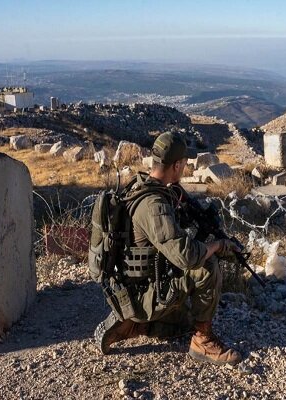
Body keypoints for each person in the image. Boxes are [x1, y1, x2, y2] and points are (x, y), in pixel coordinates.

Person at [94, 132, 242, 366]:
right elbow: (189, 256)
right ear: (177, 165)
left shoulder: (142, 185)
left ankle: (133, 324)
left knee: (181, 326)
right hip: (143, 291)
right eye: (183, 163)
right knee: (206, 266)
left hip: (134, 283)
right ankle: (201, 341)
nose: (185, 168)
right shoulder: (154, 205)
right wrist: (219, 245)